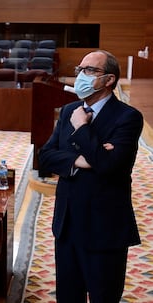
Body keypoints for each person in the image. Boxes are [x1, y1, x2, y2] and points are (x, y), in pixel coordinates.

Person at [38, 50, 143, 302]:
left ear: (109, 80)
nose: (80, 76)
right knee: (68, 297)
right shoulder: (68, 110)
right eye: (80, 70)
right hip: (68, 224)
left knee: (103, 297)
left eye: (89, 70)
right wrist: (80, 160)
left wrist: (82, 128)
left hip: (103, 228)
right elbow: (46, 155)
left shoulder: (127, 117)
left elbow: (109, 166)